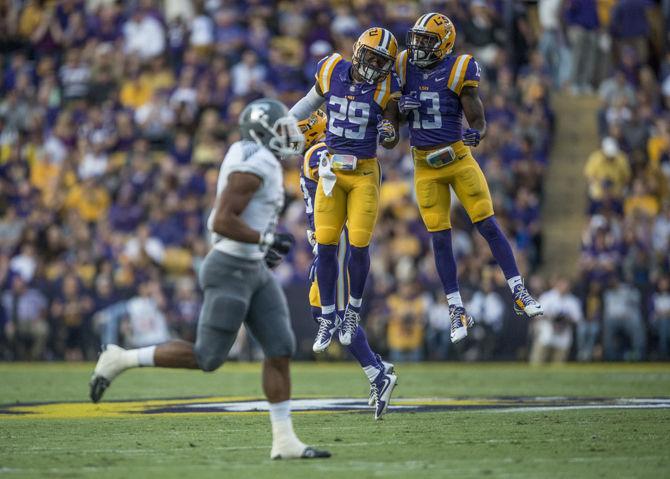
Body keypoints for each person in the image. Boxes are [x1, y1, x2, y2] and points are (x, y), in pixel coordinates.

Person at [89, 98, 330, 461]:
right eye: (279, 130)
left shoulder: (250, 150)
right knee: (207, 357)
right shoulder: (255, 164)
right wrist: (264, 239)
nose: (289, 135)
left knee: (280, 347)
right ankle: (121, 358)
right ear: (263, 134)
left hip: (252, 267)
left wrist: (318, 88)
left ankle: (284, 441)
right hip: (230, 267)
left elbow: (286, 121)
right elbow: (218, 221)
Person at [394, 13, 543, 344]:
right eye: (417, 38)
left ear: (444, 43)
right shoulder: (404, 65)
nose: (418, 45)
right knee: (439, 237)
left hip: (458, 158)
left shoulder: (459, 68)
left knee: (487, 224)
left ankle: (519, 290)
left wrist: (477, 133)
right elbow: (391, 122)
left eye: (427, 40)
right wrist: (400, 111)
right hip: (424, 166)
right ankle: (456, 308)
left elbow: (477, 118)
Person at [288, 28, 401, 357]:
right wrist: (283, 123)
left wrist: (389, 131)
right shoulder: (331, 69)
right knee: (325, 245)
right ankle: (327, 315)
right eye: (371, 57)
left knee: (359, 245)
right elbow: (308, 104)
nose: (374, 65)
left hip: (365, 171)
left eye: (382, 62)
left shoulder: (386, 87)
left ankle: (351, 312)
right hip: (333, 172)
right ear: (357, 50)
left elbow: (392, 135)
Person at [297, 109, 396, 420]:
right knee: (321, 310)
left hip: (335, 244)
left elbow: (327, 168)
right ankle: (377, 367)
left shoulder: (319, 151)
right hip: (327, 243)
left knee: (333, 313)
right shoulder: (315, 150)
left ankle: (377, 374)